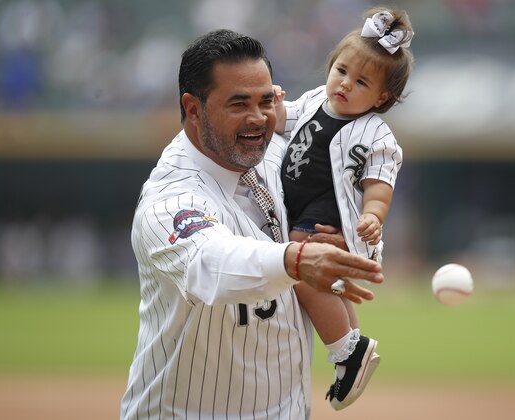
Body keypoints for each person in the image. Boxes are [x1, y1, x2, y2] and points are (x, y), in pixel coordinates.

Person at [119, 29, 384, 420]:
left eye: (265, 101)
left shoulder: (274, 149)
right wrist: (296, 260)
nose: (258, 118)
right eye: (238, 104)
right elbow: (212, 265)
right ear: (193, 109)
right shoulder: (171, 198)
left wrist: (333, 233)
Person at [270, 7, 414, 410]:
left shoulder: (374, 133)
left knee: (300, 269)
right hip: (300, 204)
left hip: (332, 213)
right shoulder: (316, 98)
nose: (346, 84)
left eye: (362, 81)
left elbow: (379, 185)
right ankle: (353, 347)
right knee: (322, 282)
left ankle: (345, 350)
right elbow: (285, 119)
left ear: (381, 97)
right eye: (342, 71)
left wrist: (374, 216)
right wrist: (272, 104)